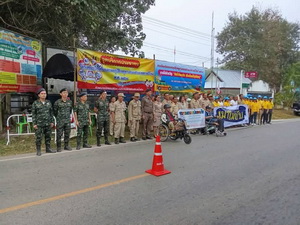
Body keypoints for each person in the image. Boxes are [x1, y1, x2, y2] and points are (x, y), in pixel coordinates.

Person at [32, 88, 55, 156]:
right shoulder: (35, 103)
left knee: (48, 137)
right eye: (42, 93)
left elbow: (51, 113)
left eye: (45, 93)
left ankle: (48, 148)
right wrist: (34, 123)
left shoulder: (48, 102)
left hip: (48, 123)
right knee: (39, 137)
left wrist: (52, 121)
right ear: (39, 95)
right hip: (39, 124)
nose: (43, 95)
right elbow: (33, 114)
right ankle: (38, 150)